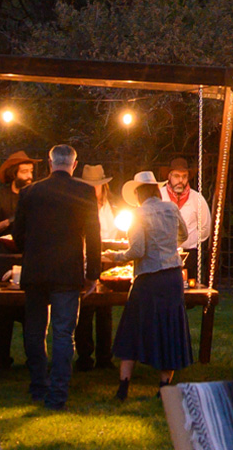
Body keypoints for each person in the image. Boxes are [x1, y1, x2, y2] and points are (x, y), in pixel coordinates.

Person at [14, 144, 101, 409]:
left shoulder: (30, 192)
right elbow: (94, 236)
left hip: (36, 270)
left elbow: (18, 234)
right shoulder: (85, 191)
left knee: (35, 331)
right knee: (63, 333)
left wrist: (30, 251)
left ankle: (38, 387)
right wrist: (93, 274)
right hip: (67, 271)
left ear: (50, 163)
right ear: (74, 164)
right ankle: (58, 393)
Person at [110, 172, 192, 401]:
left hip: (148, 277)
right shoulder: (172, 209)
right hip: (172, 276)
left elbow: (137, 250)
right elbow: (184, 235)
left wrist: (115, 257)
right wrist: (167, 246)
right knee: (169, 328)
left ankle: (124, 385)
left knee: (133, 328)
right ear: (156, 190)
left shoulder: (138, 214)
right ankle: (164, 385)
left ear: (138, 194)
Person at [0, 152, 38, 373]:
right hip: (4, 259)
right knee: (3, 313)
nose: (29, 176)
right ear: (13, 174)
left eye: (31, 171)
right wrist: (9, 221)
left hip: (29, 258)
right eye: (24, 172)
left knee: (30, 314)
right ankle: (1, 360)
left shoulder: (36, 196)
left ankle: (33, 360)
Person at [77, 163, 119, 372]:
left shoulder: (112, 208)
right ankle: (84, 356)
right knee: (85, 310)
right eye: (90, 185)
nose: (94, 189)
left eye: (97, 185)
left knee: (105, 310)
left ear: (104, 186)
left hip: (107, 262)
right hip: (84, 260)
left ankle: (104, 356)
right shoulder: (79, 206)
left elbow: (117, 233)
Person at [163, 155, 214, 264]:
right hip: (162, 252)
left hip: (189, 253)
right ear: (169, 176)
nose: (180, 180)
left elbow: (205, 228)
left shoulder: (197, 198)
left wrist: (190, 240)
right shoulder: (160, 196)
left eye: (184, 176)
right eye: (176, 176)